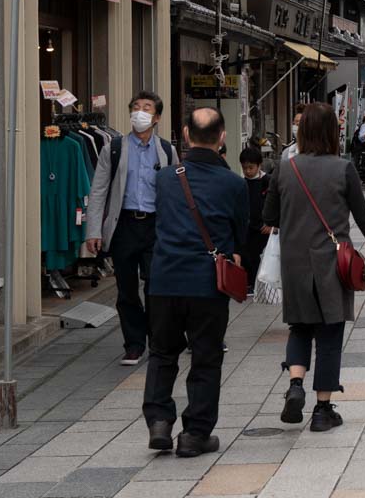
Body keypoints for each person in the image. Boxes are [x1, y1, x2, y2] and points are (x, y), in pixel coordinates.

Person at [265, 103, 365, 432]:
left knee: (299, 327)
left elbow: (268, 217)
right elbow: (364, 218)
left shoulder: (285, 169)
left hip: (295, 261)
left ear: (301, 132)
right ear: (331, 133)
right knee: (329, 333)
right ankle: (323, 409)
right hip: (331, 261)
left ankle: (296, 385)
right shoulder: (343, 169)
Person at [144, 108, 247, 457]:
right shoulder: (234, 183)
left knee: (161, 353)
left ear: (185, 135)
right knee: (205, 357)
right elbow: (239, 234)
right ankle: (195, 434)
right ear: (222, 138)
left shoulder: (164, 178)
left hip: (164, 280)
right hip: (207, 283)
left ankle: (159, 421)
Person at [85, 92, 173, 366]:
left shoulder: (167, 150)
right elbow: (98, 190)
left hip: (155, 225)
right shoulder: (114, 147)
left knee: (155, 286)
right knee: (126, 288)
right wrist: (93, 231)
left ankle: (157, 339)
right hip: (123, 224)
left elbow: (178, 192)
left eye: (147, 108)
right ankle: (134, 344)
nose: (140, 112)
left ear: (157, 117)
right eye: (136, 107)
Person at [238, 144, 271, 281]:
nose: (248, 171)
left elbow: (275, 204)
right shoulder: (241, 183)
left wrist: (271, 224)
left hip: (263, 227)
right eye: (245, 168)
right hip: (247, 226)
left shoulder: (267, 181)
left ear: (259, 165)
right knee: (246, 254)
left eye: (251, 168)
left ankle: (257, 281)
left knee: (256, 255)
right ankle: (250, 281)